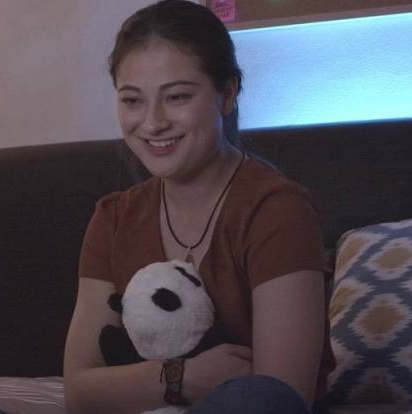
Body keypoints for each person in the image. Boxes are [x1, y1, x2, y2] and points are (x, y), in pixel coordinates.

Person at [63, 1, 334, 413]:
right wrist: (182, 377)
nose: (152, 123)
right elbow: (80, 391)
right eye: (132, 101)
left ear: (227, 94)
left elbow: (279, 395)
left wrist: (128, 386)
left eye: (176, 97)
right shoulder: (113, 218)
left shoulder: (277, 210)